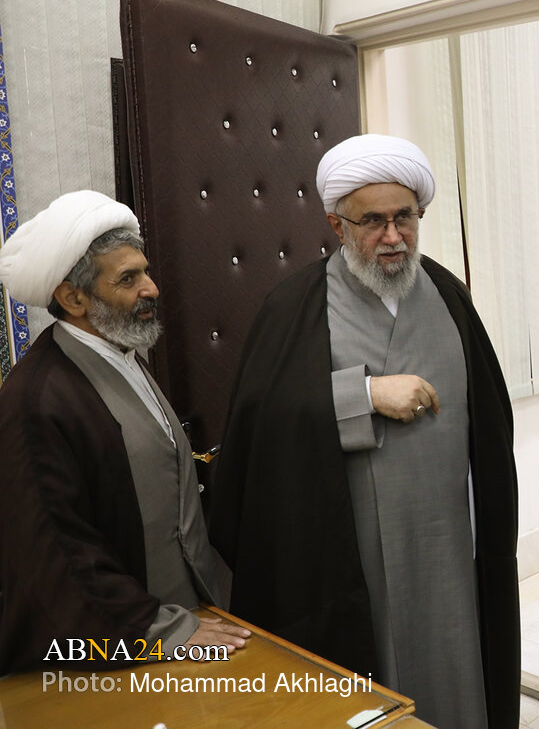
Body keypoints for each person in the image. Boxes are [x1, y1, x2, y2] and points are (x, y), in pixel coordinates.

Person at [209, 135, 518, 728]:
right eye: (373, 221)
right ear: (337, 224)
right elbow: (263, 425)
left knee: (456, 674)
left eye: (405, 217)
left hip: (447, 546)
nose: (393, 236)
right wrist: (366, 396)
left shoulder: (450, 296)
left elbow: (491, 427)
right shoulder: (295, 307)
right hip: (347, 554)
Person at [0, 191, 245, 673]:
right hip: (130, 642)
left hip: (196, 617)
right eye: (128, 279)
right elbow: (53, 548)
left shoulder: (119, 354)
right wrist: (157, 628)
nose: (151, 289)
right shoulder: (36, 400)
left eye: (145, 273)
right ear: (72, 298)